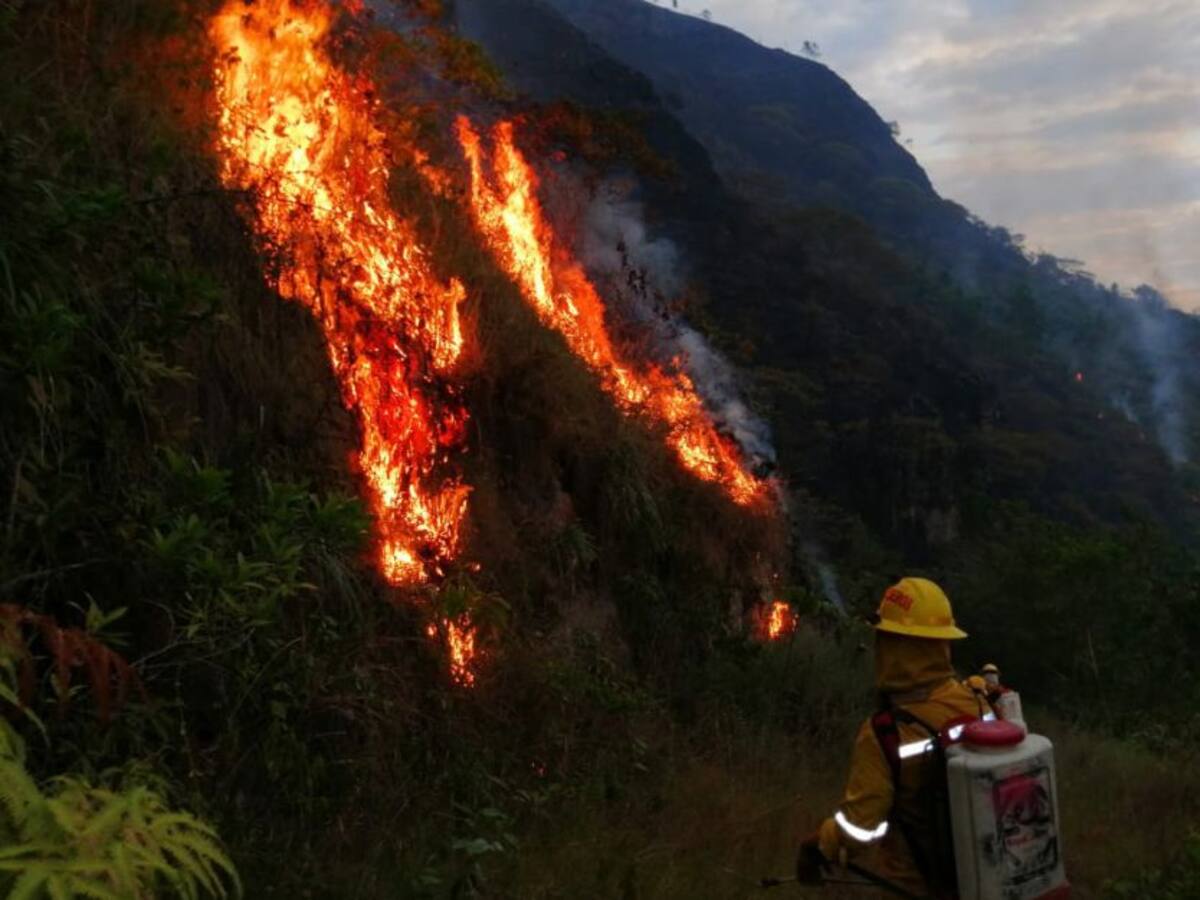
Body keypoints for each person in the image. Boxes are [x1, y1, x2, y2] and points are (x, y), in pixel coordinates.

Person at [796, 578, 981, 898]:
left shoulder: (883, 734)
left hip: (916, 887)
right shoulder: (976, 700)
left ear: (893, 645)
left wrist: (817, 845)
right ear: (942, 644)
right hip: (983, 881)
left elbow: (859, 829)